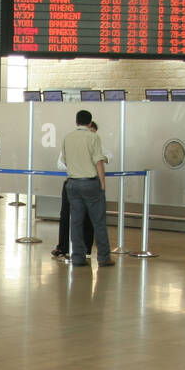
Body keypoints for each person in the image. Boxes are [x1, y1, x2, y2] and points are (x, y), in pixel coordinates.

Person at [62, 109, 113, 267]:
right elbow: (98, 161)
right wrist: (102, 183)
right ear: (90, 123)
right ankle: (104, 257)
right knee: (98, 221)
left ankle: (78, 257)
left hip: (72, 184)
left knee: (76, 222)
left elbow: (64, 160)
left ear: (76, 122)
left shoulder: (67, 137)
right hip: (90, 183)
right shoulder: (93, 137)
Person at [52, 120, 97, 260]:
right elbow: (60, 163)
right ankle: (63, 247)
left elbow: (107, 157)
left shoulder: (96, 143)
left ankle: (85, 249)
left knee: (87, 217)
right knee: (66, 215)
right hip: (72, 182)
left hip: (89, 183)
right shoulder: (70, 142)